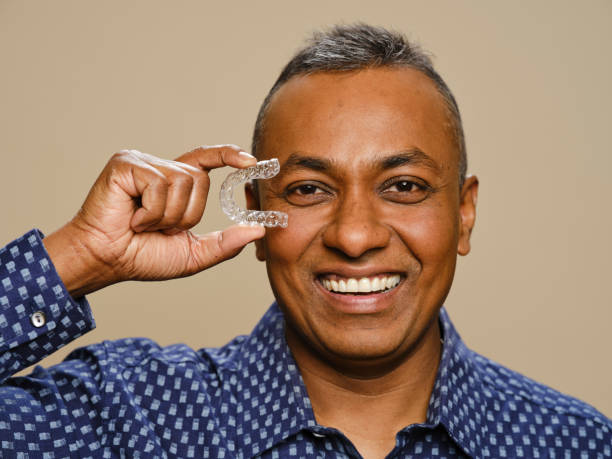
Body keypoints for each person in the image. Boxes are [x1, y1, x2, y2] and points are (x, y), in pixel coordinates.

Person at [0, 23, 610, 458]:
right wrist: (78, 257)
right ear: (259, 217)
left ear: (464, 213)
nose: (354, 235)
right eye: (308, 190)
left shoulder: (575, 442)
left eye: (402, 185)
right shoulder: (125, 414)